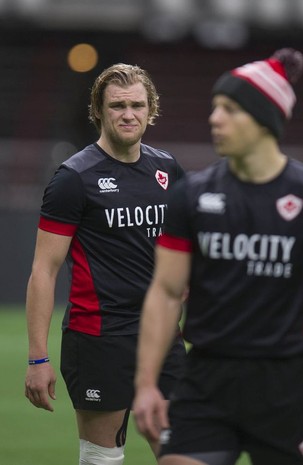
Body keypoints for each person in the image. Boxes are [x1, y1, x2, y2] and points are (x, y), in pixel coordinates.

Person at [133, 48, 303, 465]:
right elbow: (166, 292)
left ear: (264, 119)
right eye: (214, 107)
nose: (214, 119)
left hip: (283, 385)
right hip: (204, 380)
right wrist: (147, 382)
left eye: (230, 109)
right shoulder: (191, 195)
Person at [24, 63, 186, 465]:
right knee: (103, 458)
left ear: (151, 110)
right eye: (117, 105)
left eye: (137, 105)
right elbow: (44, 270)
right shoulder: (73, 178)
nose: (128, 114)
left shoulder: (167, 168)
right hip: (99, 338)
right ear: (98, 110)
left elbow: (187, 250)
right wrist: (37, 358)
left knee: (186, 452)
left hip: (162, 335)